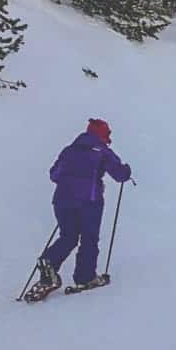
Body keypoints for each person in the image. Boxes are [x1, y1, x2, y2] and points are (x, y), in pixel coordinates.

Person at [25, 119, 132, 302]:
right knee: (89, 239)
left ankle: (48, 262)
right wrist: (126, 170)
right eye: (107, 135)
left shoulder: (69, 150)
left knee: (68, 236)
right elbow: (119, 174)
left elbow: (54, 174)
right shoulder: (102, 151)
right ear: (101, 135)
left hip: (62, 200)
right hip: (89, 202)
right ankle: (86, 277)